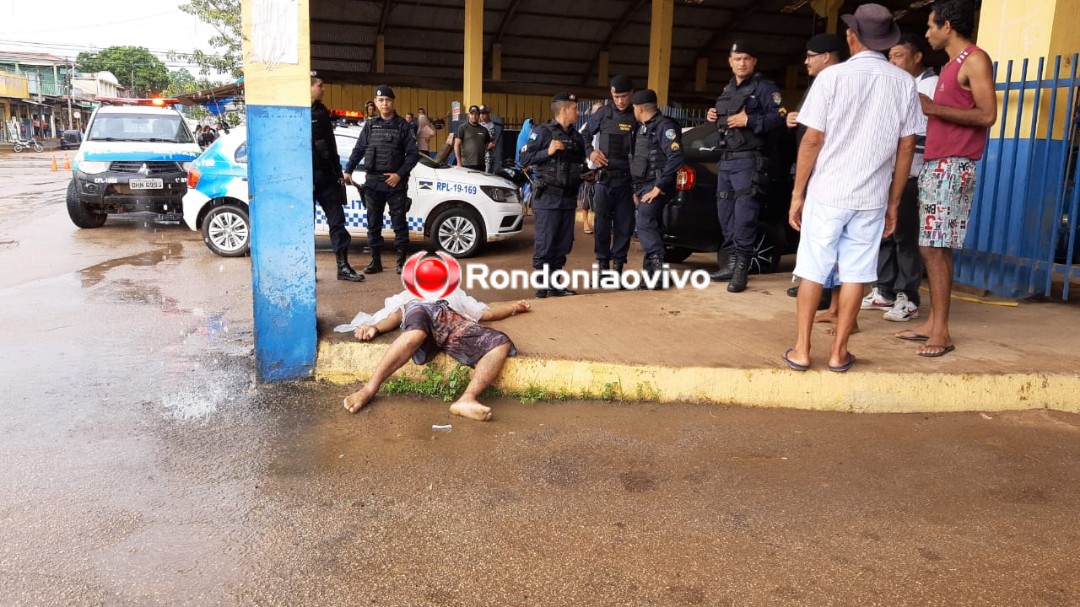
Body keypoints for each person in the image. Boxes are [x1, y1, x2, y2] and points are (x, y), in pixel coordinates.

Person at [784, 3, 920, 373]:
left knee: (813, 268)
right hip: (872, 197)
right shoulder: (905, 83)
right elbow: (907, 145)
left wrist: (798, 194)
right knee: (857, 273)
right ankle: (839, 352)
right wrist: (893, 203)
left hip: (828, 192)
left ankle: (801, 349)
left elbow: (812, 140)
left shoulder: (831, 78)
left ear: (850, 35)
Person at [897, 0, 995, 357]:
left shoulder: (974, 59)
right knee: (932, 246)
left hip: (954, 165)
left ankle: (942, 331)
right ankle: (934, 324)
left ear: (948, 26)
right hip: (938, 164)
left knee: (935, 247)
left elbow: (987, 115)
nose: (927, 33)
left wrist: (933, 108)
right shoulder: (950, 66)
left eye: (930, 26)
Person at [342, 290, 531, 421]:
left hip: (451, 319)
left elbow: (487, 313)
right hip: (421, 312)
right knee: (416, 333)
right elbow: (393, 317)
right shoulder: (411, 296)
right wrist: (374, 328)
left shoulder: (455, 295)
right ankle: (368, 390)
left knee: (499, 342)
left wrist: (514, 307)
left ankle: (467, 399)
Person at [866, 32, 940, 322]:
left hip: (912, 171)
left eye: (898, 55)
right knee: (885, 233)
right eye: (890, 56)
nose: (892, 61)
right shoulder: (897, 85)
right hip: (888, 170)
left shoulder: (930, 85)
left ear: (916, 57)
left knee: (905, 236)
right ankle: (884, 290)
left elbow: (923, 132)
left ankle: (908, 297)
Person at [707, 40, 786, 293]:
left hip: (749, 160)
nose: (741, 63)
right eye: (737, 58)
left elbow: (779, 118)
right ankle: (731, 262)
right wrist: (713, 116)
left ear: (754, 62)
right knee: (725, 214)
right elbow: (726, 120)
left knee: (744, 216)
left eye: (746, 59)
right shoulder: (728, 88)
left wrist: (749, 119)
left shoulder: (764, 88)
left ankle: (742, 268)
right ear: (730, 61)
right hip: (727, 160)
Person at [786, 34, 851, 325]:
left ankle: (833, 306)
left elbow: (814, 138)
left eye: (811, 55)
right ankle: (835, 307)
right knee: (833, 246)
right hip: (825, 174)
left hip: (831, 176)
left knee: (831, 246)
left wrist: (798, 192)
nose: (806, 61)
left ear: (826, 56)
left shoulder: (837, 81)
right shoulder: (820, 83)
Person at [343, 85, 421, 275]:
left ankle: (401, 262)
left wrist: (399, 175)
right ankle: (375, 261)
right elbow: (358, 150)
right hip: (373, 183)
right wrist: (348, 170)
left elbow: (413, 155)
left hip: (395, 183)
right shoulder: (370, 126)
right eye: (381, 100)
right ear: (376, 103)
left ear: (392, 102)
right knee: (373, 224)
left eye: (387, 100)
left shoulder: (403, 126)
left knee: (399, 224)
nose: (384, 103)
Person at [519, 93, 586, 298]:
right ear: (564, 109)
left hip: (568, 198)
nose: (578, 112)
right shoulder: (542, 132)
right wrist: (547, 152)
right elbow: (523, 159)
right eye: (575, 108)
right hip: (547, 197)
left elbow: (580, 164)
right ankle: (542, 285)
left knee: (563, 243)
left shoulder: (576, 137)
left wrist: (587, 176)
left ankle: (556, 284)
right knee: (545, 243)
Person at [580, 75, 636, 277]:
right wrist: (590, 153)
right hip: (604, 179)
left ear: (631, 94)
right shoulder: (603, 113)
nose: (620, 101)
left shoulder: (636, 114)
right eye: (616, 96)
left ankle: (618, 267)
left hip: (627, 181)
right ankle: (602, 265)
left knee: (624, 225)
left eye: (624, 96)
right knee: (602, 224)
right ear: (611, 95)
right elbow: (584, 135)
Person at [310, 75, 365, 282]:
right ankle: (308, 268)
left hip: (327, 178)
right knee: (306, 226)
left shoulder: (321, 111)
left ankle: (343, 267)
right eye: (320, 85)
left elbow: (331, 145)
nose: (323, 89)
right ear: (309, 88)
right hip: (305, 180)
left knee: (337, 222)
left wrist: (338, 173)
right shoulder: (296, 113)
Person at [629, 89, 684, 287]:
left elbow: (676, 157)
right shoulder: (644, 127)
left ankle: (659, 270)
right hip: (644, 186)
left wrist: (658, 187)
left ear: (640, 108)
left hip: (656, 186)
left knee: (644, 225)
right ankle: (650, 278)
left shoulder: (665, 126)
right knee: (652, 228)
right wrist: (637, 190)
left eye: (634, 107)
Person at [454, 105, 492, 171]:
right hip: (466, 164)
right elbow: (456, 145)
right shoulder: (463, 128)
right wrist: (459, 162)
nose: (474, 116)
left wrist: (490, 146)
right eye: (472, 114)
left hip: (481, 165)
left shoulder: (484, 130)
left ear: (479, 115)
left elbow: (488, 145)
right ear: (469, 115)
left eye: (476, 114)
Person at [478, 105, 503, 173]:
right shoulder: (478, 125)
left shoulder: (493, 127)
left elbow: (492, 143)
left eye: (483, 113)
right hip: (477, 156)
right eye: (480, 113)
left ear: (488, 114)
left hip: (488, 157)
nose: (481, 115)